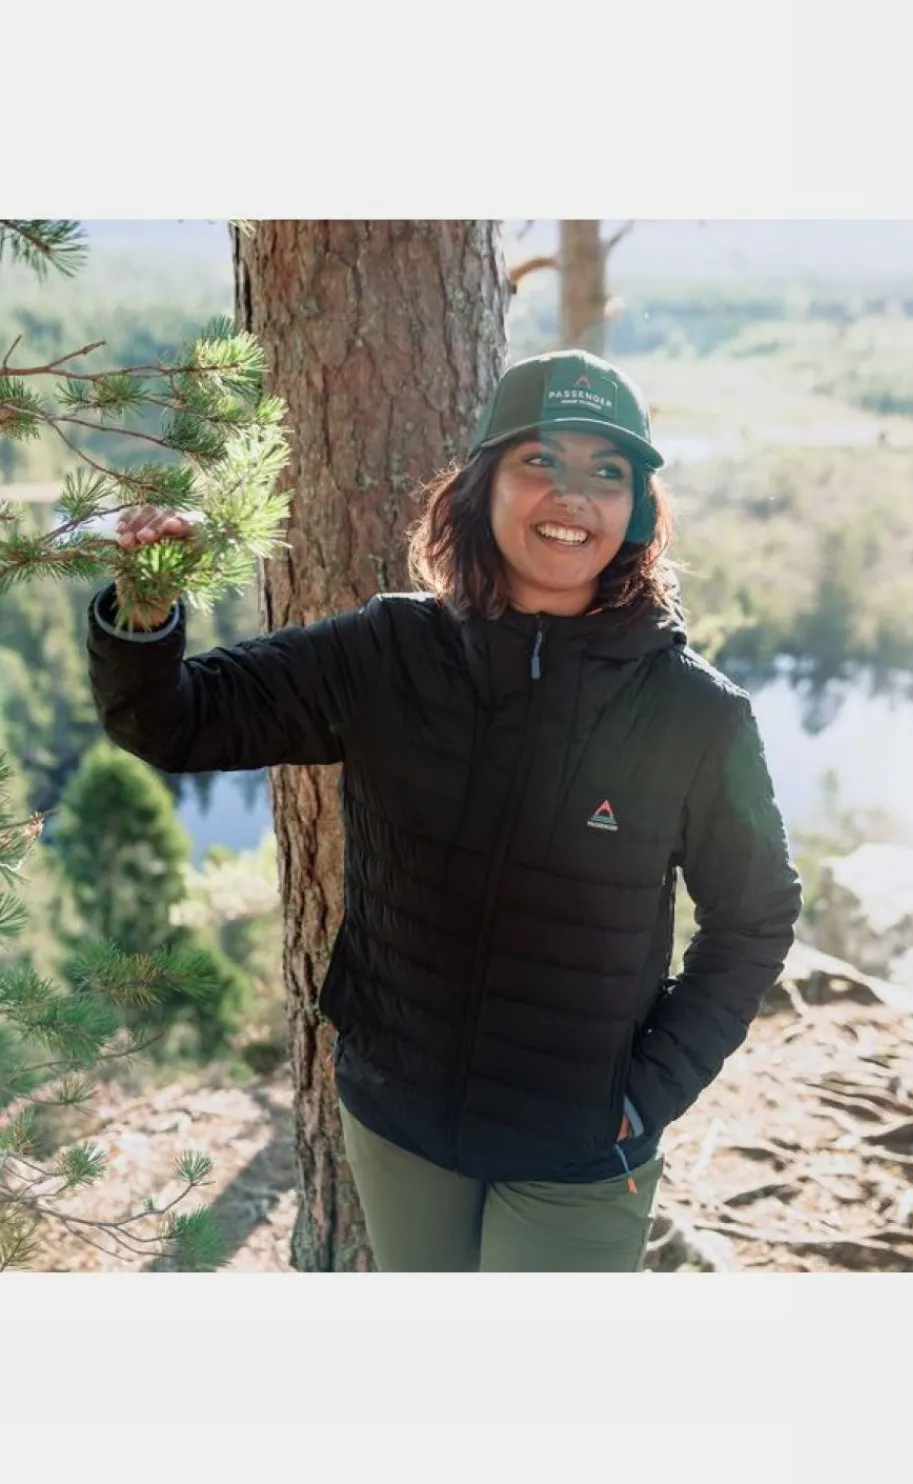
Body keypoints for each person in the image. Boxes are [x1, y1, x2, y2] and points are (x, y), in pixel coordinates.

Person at [87, 348, 802, 1272]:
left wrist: (648, 1091)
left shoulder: (695, 714)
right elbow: (176, 722)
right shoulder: (385, 651)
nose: (572, 495)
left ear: (634, 512)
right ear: (481, 486)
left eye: (607, 472)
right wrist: (145, 606)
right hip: (401, 1122)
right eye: (539, 461)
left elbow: (754, 919)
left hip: (577, 1146)